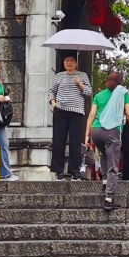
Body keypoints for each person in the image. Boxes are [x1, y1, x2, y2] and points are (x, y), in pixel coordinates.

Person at [85, 70, 129, 209]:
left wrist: (87, 134)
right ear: (121, 81)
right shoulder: (123, 93)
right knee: (113, 164)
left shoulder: (99, 95)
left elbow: (92, 115)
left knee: (104, 155)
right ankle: (109, 199)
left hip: (96, 130)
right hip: (112, 131)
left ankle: (105, 182)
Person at [48, 52, 92, 181]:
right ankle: (58, 171)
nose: (69, 62)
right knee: (59, 141)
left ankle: (75, 172)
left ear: (76, 63)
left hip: (77, 112)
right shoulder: (59, 76)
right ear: (63, 63)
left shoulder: (82, 75)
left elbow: (89, 92)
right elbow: (51, 91)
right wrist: (53, 104)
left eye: (72, 60)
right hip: (60, 111)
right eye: (67, 60)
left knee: (76, 143)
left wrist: (80, 83)